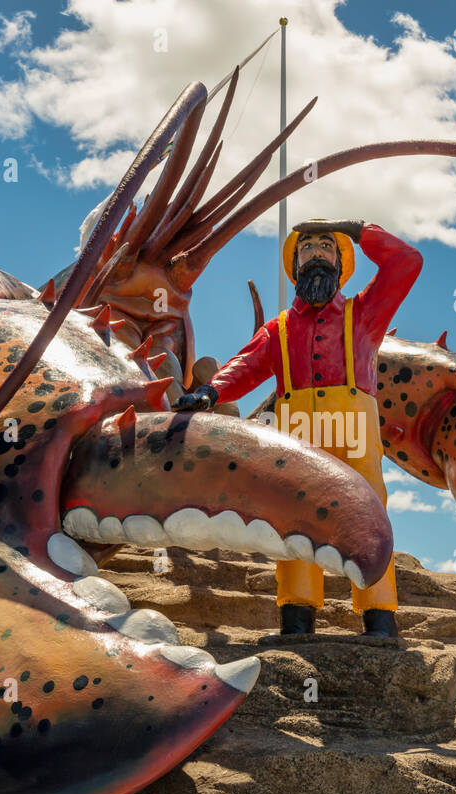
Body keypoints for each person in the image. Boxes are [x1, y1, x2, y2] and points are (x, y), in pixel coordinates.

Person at [174, 219, 422, 638]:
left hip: (354, 431)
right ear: (294, 263)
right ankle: (298, 617)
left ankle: (379, 618)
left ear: (342, 260)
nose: (316, 254)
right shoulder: (279, 329)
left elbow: (406, 262)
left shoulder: (365, 312)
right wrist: (209, 394)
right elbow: (246, 365)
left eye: (327, 245)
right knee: (294, 517)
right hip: (300, 431)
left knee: (369, 516)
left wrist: (355, 228)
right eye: (306, 248)